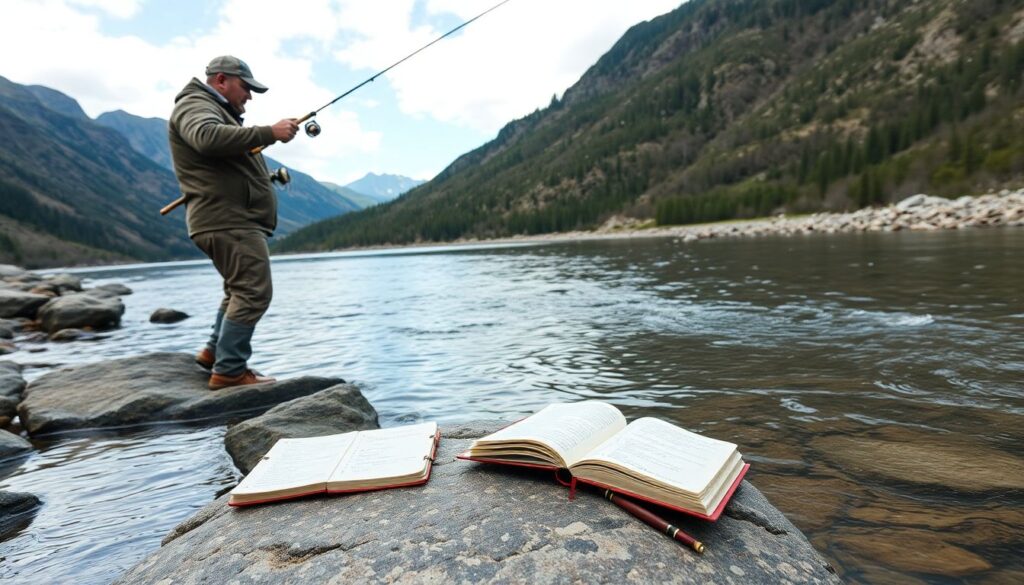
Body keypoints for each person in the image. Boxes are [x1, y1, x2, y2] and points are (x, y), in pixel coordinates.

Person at [168, 56, 298, 389]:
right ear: (221, 80)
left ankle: (214, 354)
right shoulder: (195, 104)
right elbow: (207, 138)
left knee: (237, 290)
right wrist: (270, 132)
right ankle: (229, 371)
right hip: (228, 221)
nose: (250, 97)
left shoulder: (213, 109)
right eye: (246, 88)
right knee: (254, 292)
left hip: (225, 219)